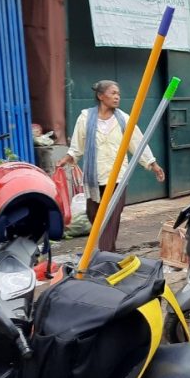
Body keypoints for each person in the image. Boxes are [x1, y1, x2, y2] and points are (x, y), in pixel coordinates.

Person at [57, 80, 165, 252]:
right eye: (113, 93)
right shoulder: (85, 118)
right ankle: (108, 252)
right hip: (94, 176)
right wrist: (67, 158)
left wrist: (153, 164)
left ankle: (107, 253)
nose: (117, 97)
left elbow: (138, 143)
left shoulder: (124, 119)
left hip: (118, 177)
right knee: (93, 215)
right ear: (101, 96)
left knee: (112, 216)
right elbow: (77, 145)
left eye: (118, 94)